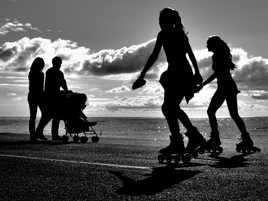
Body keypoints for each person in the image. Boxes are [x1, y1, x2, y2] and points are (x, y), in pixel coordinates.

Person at [132, 8, 206, 157]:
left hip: (182, 74)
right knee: (170, 108)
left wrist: (197, 73)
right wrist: (142, 74)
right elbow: (154, 55)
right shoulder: (163, 35)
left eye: (163, 21)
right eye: (160, 21)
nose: (160, 24)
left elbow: (190, 54)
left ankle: (181, 141)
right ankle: (190, 137)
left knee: (169, 107)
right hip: (173, 74)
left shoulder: (179, 35)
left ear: (170, 22)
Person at [197, 35, 259, 152]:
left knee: (211, 111)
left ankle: (216, 138)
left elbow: (217, 74)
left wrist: (203, 84)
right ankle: (246, 139)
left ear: (213, 45)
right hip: (228, 86)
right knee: (233, 114)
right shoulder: (222, 54)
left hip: (225, 87)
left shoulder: (217, 56)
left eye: (208, 44)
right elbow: (219, 73)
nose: (207, 46)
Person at [36, 56, 69, 140]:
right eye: (59, 63)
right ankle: (53, 135)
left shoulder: (49, 71)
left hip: (48, 96)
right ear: (57, 63)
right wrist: (66, 90)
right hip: (53, 97)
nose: (60, 65)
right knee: (54, 116)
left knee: (48, 116)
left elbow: (60, 83)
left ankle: (40, 132)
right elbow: (63, 83)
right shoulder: (57, 72)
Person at [27, 57, 47, 142]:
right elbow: (40, 87)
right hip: (36, 96)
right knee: (43, 114)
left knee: (34, 116)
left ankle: (35, 134)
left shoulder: (31, 73)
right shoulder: (40, 74)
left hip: (32, 95)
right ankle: (37, 133)